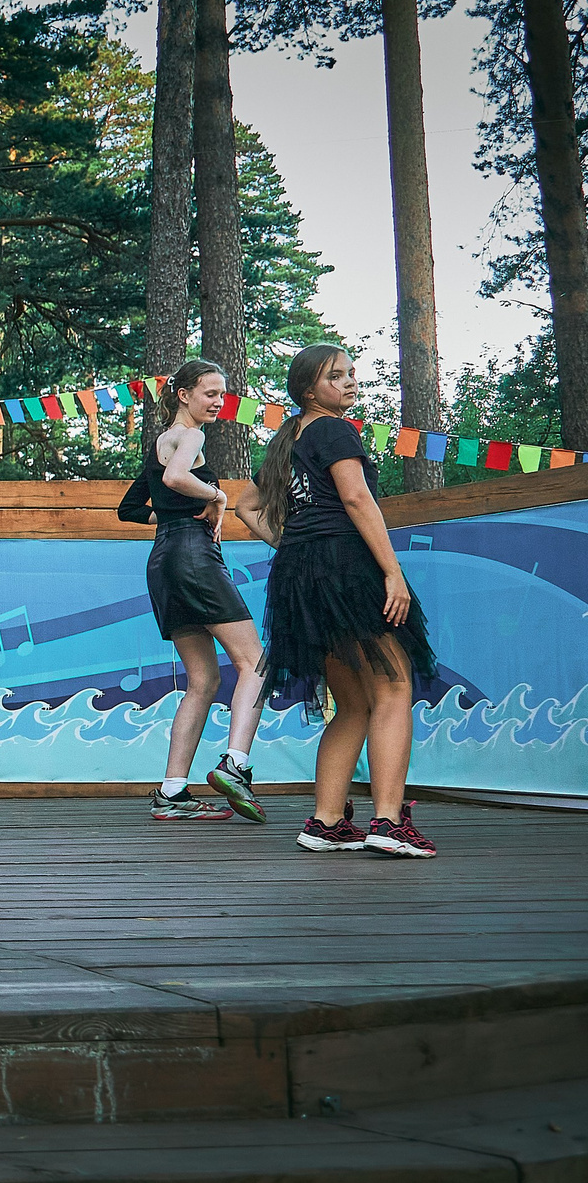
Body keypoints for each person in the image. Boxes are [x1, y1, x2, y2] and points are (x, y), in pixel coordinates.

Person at [241, 344, 438, 857]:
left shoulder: (289, 437)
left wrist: (293, 541)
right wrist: (392, 572)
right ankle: (389, 823)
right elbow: (355, 498)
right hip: (346, 569)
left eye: (352, 373)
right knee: (393, 691)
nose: (351, 382)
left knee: (350, 703)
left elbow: (245, 505)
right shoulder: (333, 430)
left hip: (301, 575)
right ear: (310, 390)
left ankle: (326, 822)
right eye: (337, 376)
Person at [117, 358, 269, 823]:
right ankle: (235, 764)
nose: (218, 402)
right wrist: (217, 496)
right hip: (194, 559)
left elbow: (128, 509)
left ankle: (172, 792)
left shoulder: (157, 442)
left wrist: (174, 516)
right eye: (210, 393)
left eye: (222, 395)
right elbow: (175, 479)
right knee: (255, 663)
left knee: (203, 682)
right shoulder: (191, 436)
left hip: (164, 562)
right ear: (182, 394)